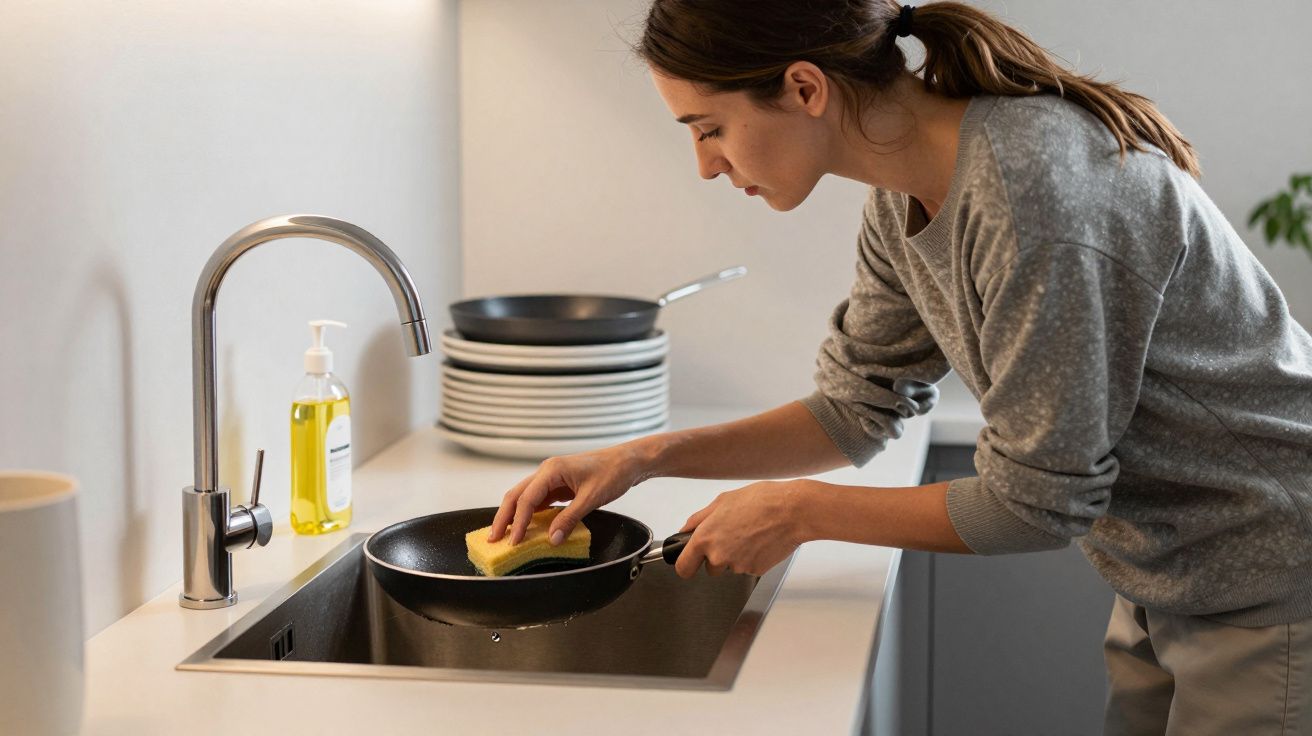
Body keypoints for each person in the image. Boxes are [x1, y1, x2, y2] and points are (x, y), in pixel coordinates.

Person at [486, 1, 1312, 731]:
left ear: (805, 88)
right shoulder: (906, 190)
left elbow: (1035, 506)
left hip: (1275, 575)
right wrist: (643, 457)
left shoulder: (1032, 197)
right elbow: (853, 408)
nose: (705, 164)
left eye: (709, 128)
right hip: (1174, 575)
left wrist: (799, 512)